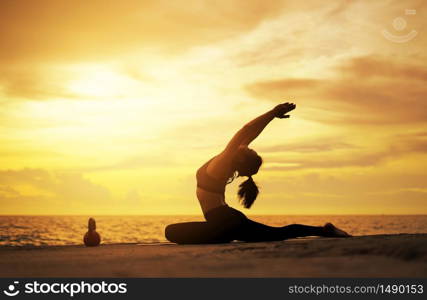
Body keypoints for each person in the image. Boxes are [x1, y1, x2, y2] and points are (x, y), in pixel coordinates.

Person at [165, 102, 351, 244]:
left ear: (240, 160)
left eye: (251, 151)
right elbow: (250, 135)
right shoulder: (228, 161)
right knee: (276, 234)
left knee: (171, 232)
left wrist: (271, 112)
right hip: (228, 219)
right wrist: (272, 117)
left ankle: (325, 231)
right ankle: (325, 230)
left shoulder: (222, 163)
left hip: (225, 222)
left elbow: (244, 131)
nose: (249, 147)